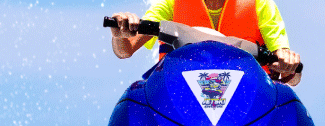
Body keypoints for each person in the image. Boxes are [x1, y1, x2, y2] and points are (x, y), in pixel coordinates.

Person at [110, 0, 301, 86]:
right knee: (135, 95)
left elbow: (291, 75)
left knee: (287, 102)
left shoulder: (261, 4)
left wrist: (289, 65)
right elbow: (125, 49)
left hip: (247, 102)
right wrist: (119, 33)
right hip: (181, 99)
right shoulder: (172, 3)